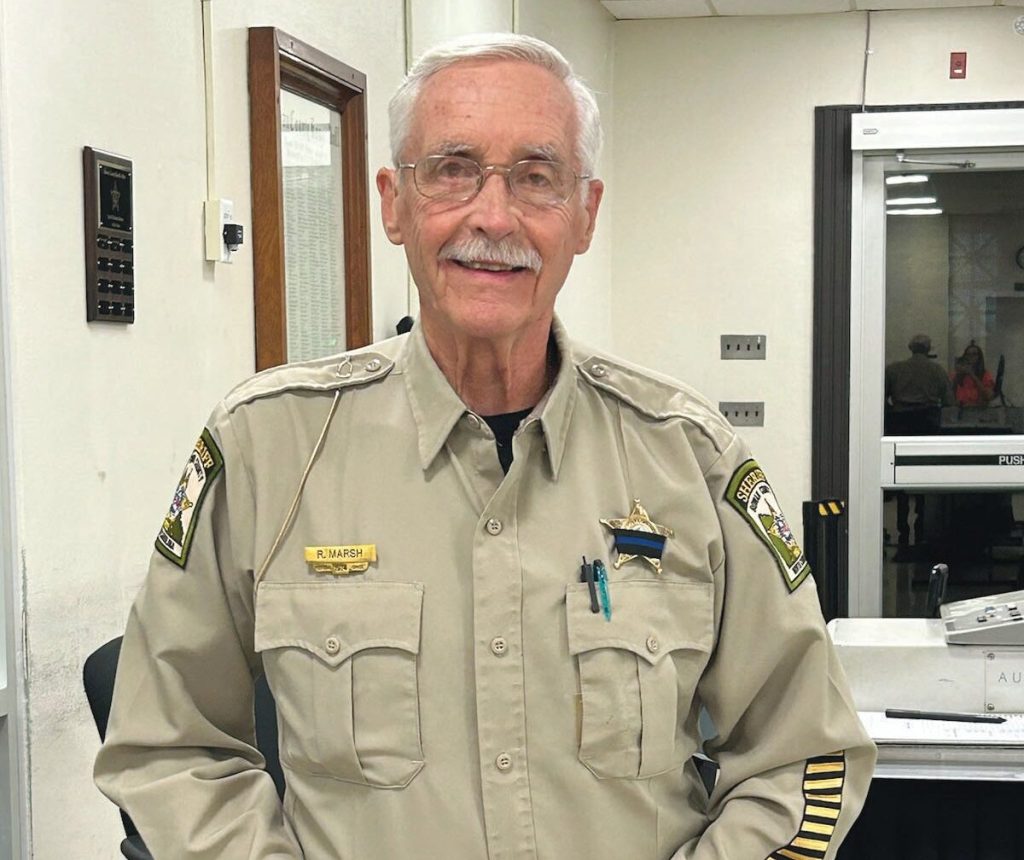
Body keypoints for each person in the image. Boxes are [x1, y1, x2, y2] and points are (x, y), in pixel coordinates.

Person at [95, 33, 874, 859]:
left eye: (537, 177)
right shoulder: (268, 447)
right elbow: (168, 748)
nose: (494, 217)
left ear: (585, 213)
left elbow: (805, 756)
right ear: (394, 203)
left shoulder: (690, 458)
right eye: (453, 169)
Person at [884, 333, 953, 435]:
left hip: (900, 420)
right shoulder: (937, 370)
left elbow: (881, 397)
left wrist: (891, 411)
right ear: (928, 349)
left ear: (910, 348)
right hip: (928, 420)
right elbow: (948, 400)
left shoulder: (894, 369)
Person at [951, 342, 995, 407]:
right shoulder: (956, 375)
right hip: (960, 409)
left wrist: (972, 375)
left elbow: (988, 396)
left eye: (974, 354)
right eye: (968, 354)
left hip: (978, 410)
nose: (971, 357)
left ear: (979, 357)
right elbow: (949, 395)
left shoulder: (985, 375)